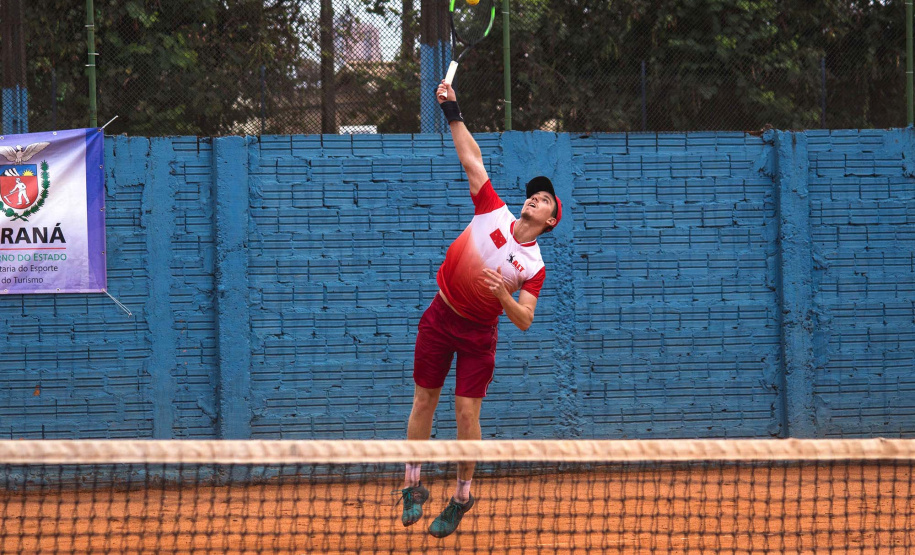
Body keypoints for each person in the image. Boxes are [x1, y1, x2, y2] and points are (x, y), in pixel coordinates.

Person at [397, 79, 563, 538]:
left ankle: (462, 495)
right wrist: (453, 110)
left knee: (466, 415)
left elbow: (525, 320)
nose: (534, 198)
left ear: (549, 220)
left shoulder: (534, 266)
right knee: (423, 400)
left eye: (544, 199)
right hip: (439, 314)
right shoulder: (493, 210)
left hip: (477, 334)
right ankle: (412, 483)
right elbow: (472, 159)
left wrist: (502, 297)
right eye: (534, 193)